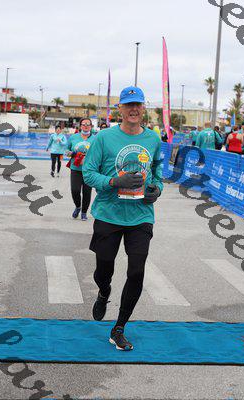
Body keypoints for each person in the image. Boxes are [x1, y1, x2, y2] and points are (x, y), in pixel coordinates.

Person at [83, 86, 163, 351]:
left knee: (137, 271)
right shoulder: (104, 138)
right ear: (120, 109)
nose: (133, 109)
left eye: (137, 104)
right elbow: (88, 173)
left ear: (143, 108)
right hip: (108, 214)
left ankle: (119, 328)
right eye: (128, 105)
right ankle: (103, 291)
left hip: (141, 216)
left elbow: (158, 171)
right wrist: (114, 181)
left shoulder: (153, 139)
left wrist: (157, 189)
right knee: (103, 268)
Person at [66, 117, 96, 220]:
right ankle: (78, 206)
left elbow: (98, 153)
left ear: (91, 126)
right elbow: (66, 150)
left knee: (87, 192)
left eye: (88, 124)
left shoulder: (95, 139)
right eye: (84, 124)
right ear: (80, 126)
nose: (86, 126)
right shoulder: (73, 137)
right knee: (75, 190)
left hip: (89, 170)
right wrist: (70, 153)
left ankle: (84, 212)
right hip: (75, 169)